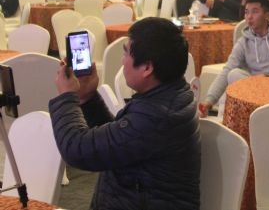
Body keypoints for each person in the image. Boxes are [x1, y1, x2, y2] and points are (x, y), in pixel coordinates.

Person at [49, 17, 200, 210]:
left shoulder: (157, 116)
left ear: (147, 68)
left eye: (126, 53)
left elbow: (76, 149)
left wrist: (66, 96)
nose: (122, 61)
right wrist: (87, 96)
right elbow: (120, 141)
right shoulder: (170, 96)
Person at [198, 0, 269, 115]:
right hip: (255, 89)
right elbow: (228, 69)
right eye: (247, 12)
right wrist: (209, 101)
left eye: (255, 12)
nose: (249, 17)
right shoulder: (244, 41)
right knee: (233, 74)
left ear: (267, 15)